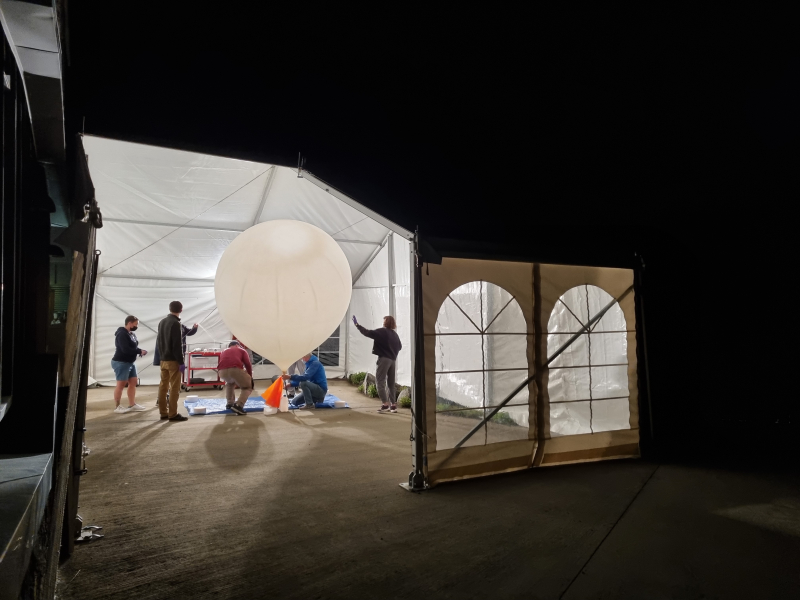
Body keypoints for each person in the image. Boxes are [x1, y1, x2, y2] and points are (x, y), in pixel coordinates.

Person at [353, 314, 402, 413]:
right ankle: (393, 405)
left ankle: (385, 404)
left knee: (380, 381)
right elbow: (400, 346)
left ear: (385, 322)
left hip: (384, 359)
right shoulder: (395, 335)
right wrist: (392, 351)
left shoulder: (382, 332)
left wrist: (357, 325)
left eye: (384, 320)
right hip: (393, 360)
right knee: (391, 384)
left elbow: (367, 332)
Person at [152, 321, 198, 405]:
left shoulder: (178, 326)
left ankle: (162, 403)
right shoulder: (172, 326)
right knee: (172, 383)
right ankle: (170, 408)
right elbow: (175, 346)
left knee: (165, 382)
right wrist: (180, 361)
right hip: (172, 359)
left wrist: (194, 328)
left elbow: (189, 332)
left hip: (167, 358)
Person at [156, 301, 188, 422]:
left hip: (163, 359)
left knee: (163, 386)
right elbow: (177, 345)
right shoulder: (175, 324)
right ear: (181, 310)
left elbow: (159, 341)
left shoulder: (162, 322)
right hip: (173, 360)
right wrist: (181, 361)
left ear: (170, 309)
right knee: (174, 388)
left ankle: (163, 412)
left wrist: (161, 357)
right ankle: (173, 414)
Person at [111, 315, 148, 413]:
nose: (137, 326)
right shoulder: (121, 334)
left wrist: (139, 351)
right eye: (136, 324)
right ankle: (117, 407)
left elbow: (133, 347)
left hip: (130, 362)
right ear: (130, 323)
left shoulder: (131, 333)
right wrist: (139, 351)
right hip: (121, 362)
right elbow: (125, 349)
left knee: (133, 382)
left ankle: (132, 404)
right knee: (121, 384)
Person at [217, 340, 253, 415]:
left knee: (230, 383)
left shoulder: (223, 351)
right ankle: (238, 406)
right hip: (234, 369)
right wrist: (250, 378)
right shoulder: (241, 350)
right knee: (247, 387)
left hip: (221, 372)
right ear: (237, 345)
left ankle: (229, 404)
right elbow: (248, 364)